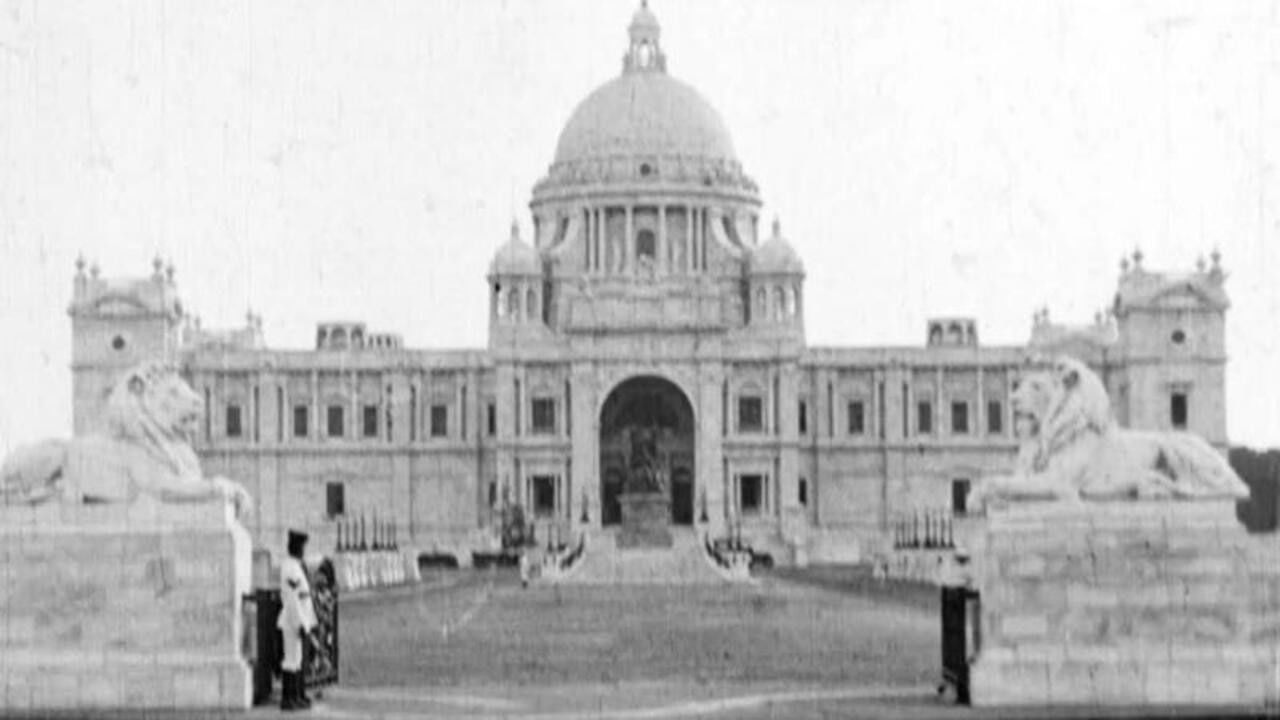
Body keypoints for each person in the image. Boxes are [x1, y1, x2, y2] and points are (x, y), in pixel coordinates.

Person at [277, 529, 318, 711]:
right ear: (294, 547)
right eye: (301, 547)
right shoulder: (289, 568)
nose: (303, 551)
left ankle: (297, 695)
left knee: (298, 658)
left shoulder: (295, 566)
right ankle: (288, 698)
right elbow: (292, 599)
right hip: (292, 620)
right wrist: (301, 622)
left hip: (300, 618)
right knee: (291, 659)